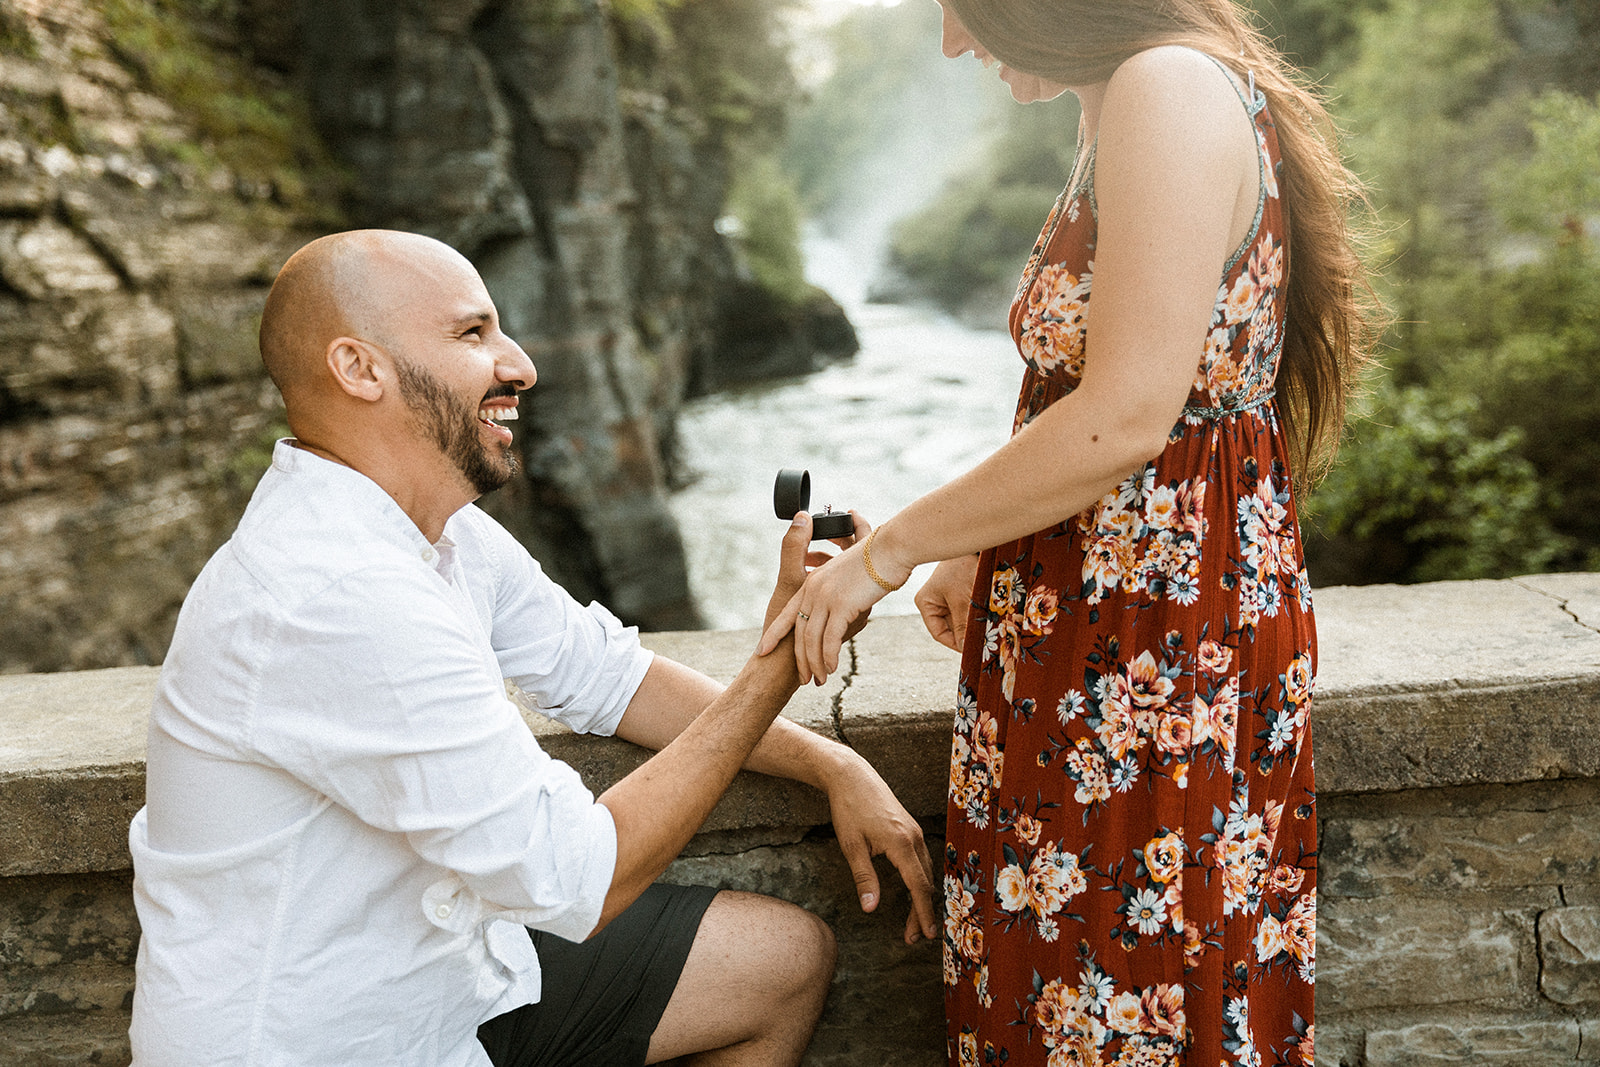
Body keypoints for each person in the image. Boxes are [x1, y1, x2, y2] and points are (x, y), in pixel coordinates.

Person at [128, 228, 937, 1067]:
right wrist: (780, 659)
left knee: (778, 963)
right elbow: (578, 877)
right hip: (325, 1036)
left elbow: (609, 676)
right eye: (472, 334)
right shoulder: (336, 593)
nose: (520, 364)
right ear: (359, 368)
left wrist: (831, 764)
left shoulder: (441, 531)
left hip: (446, 975)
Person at [758, 2, 1375, 1064]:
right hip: (1110, 624)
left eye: (963, 10)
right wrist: (979, 541)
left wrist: (886, 550)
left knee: (1119, 995)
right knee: (1071, 991)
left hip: (1153, 648)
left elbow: (1131, 411)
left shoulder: (1166, 87)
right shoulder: (1124, 94)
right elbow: (1086, 395)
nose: (954, 43)